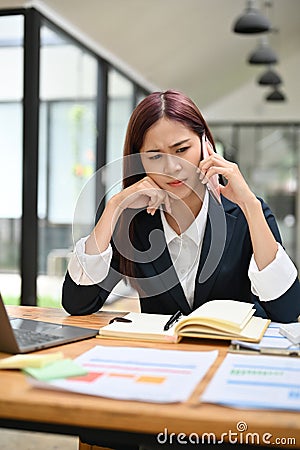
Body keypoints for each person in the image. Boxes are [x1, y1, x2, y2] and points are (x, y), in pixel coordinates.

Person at [62, 89, 300, 324]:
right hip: (162, 357)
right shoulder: (134, 221)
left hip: (233, 355)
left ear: (205, 144)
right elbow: (78, 303)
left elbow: (287, 311)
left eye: (181, 150)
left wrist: (250, 205)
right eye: (155, 156)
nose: (172, 168)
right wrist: (114, 206)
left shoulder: (245, 213)